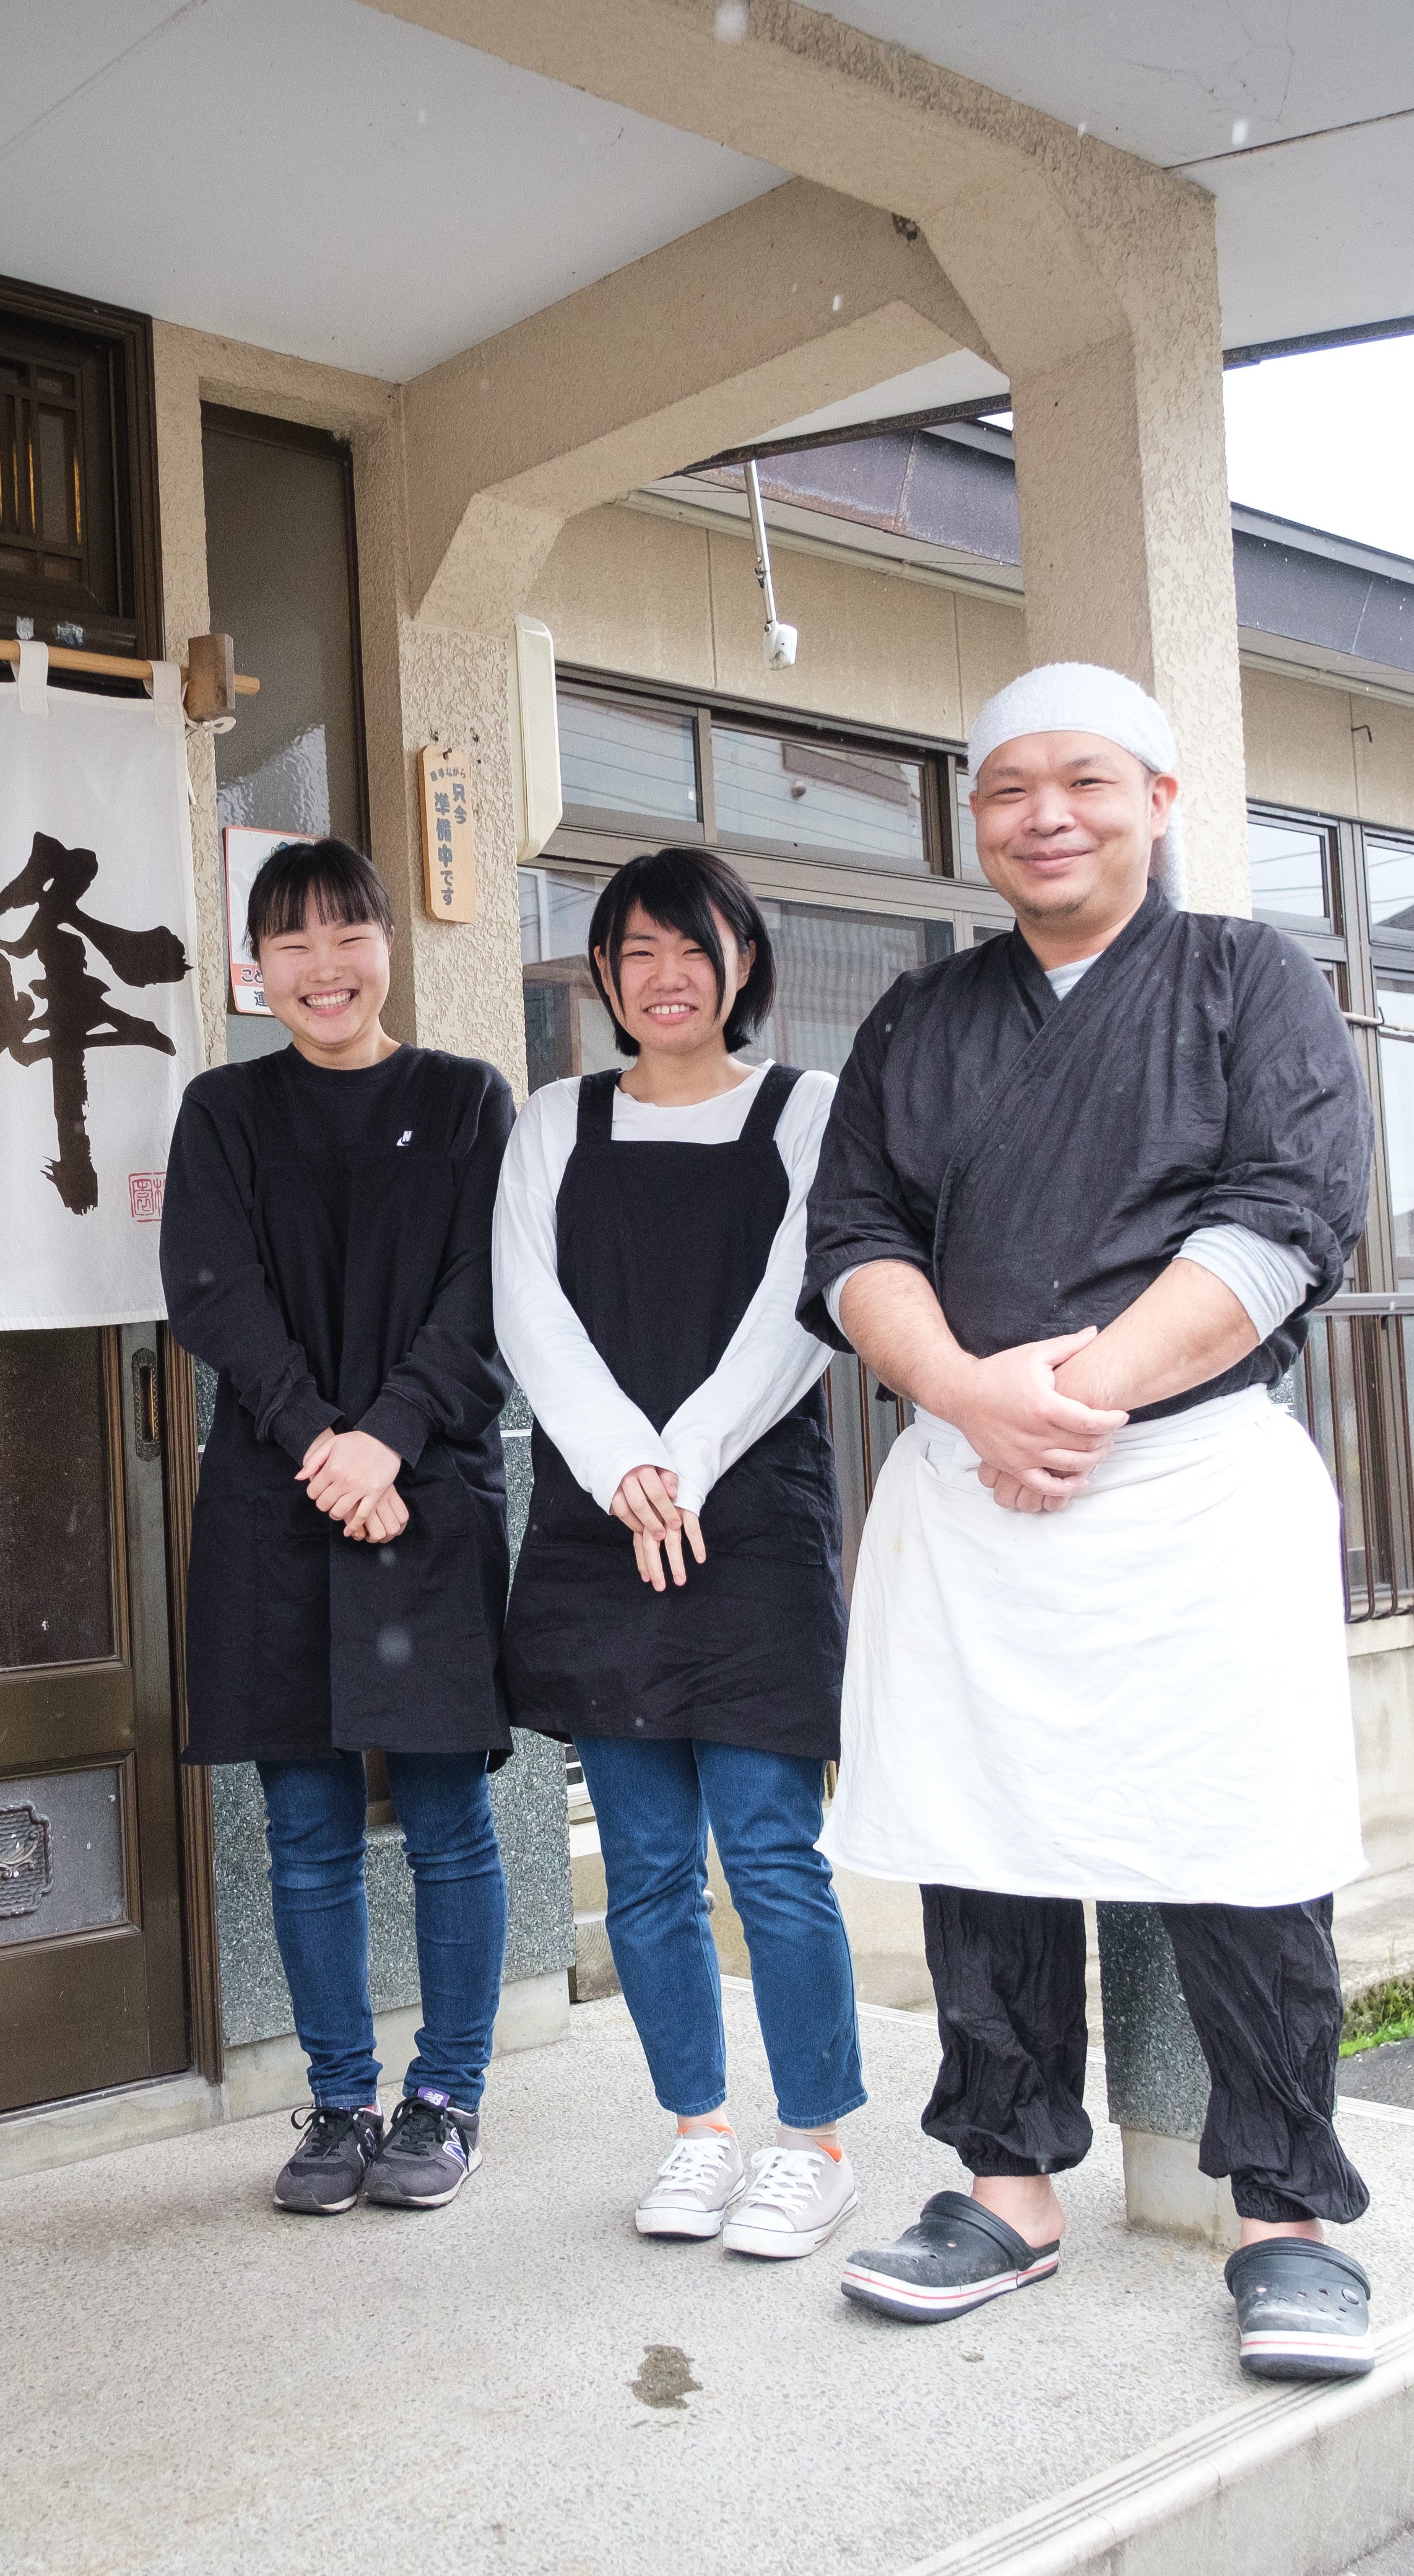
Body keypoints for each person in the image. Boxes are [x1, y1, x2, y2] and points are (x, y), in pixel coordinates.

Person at [805, 663, 1383, 2381]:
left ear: (1159, 801)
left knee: (1242, 1845)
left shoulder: (1248, 978)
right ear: (975, 820)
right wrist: (966, 1394)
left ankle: (1286, 2216)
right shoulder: (921, 1018)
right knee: (982, 1841)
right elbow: (853, 1238)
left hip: (1188, 1483)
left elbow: (1288, 1216)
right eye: (1008, 789)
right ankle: (1005, 2185)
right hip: (971, 1482)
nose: (1045, 816)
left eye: (1085, 781)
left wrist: (1079, 1396)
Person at [494, 846, 867, 2261]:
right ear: (603, 972)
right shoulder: (555, 1121)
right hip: (603, 1526)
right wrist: (625, 1469)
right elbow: (527, 1309)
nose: (667, 977)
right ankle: (698, 2131)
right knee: (646, 1865)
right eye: (637, 952)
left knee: (772, 1854)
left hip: (752, 1518)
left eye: (694, 949)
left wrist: (684, 1459)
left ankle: (815, 2143)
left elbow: (804, 1300)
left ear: (743, 964)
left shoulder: (805, 1110)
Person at [163, 835, 518, 2218]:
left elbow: (490, 1292)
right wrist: (322, 1440)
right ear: (256, 969)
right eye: (292, 943)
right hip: (279, 1501)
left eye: (347, 934)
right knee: (304, 1824)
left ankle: (448, 2095)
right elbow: (213, 1290)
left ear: (388, 945)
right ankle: (338, 2101)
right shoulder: (224, 1110)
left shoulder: (466, 1100)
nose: (324, 967)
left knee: (446, 1817)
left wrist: (389, 1437)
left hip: (425, 1496)